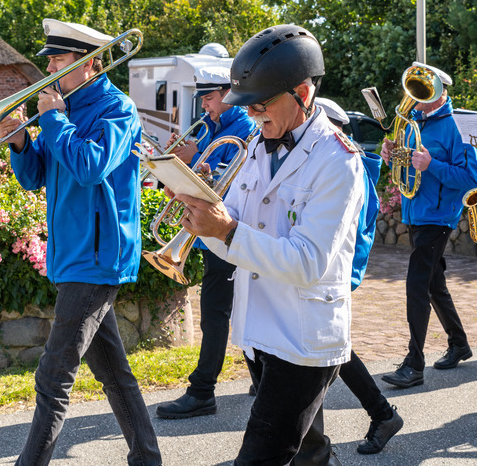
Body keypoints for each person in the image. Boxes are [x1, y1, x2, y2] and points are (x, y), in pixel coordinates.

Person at [174, 24, 365, 465]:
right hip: (259, 330)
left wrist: (225, 231)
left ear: (302, 92)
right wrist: (204, 220)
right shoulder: (259, 144)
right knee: (308, 454)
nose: (255, 115)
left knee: (260, 456)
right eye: (250, 106)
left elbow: (308, 263)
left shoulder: (338, 161)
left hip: (302, 338)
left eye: (262, 104)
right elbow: (235, 237)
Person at [0, 19, 161, 466]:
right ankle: (147, 457)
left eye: (57, 58)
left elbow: (90, 166)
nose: (48, 65)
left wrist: (52, 120)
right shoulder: (62, 109)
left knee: (53, 375)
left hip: (98, 254)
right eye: (49, 57)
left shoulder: (117, 108)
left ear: (88, 63)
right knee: (114, 374)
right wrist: (18, 144)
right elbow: (36, 177)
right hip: (73, 253)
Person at [156, 64, 257, 420]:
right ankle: (263, 381)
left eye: (210, 98)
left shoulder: (245, 128)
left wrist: (196, 161)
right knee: (233, 308)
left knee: (217, 312)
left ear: (228, 95)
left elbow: (235, 187)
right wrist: (173, 168)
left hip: (233, 233)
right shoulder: (212, 129)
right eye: (203, 99)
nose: (205, 107)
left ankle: (202, 391)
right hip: (214, 237)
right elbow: (204, 183)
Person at [379, 62, 477, 389]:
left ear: (440, 94)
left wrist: (431, 164)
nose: (415, 100)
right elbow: (404, 166)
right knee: (434, 283)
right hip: (417, 213)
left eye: (423, 94)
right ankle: (459, 343)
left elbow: (469, 179)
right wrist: (391, 155)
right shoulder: (412, 124)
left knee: (417, 285)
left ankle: (414, 363)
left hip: (438, 216)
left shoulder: (458, 125)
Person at [316, 97, 404, 455]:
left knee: (332, 349)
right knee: (328, 348)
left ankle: (381, 414)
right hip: (322, 271)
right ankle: (379, 415)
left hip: (334, 272)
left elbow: (348, 234)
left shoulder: (350, 169)